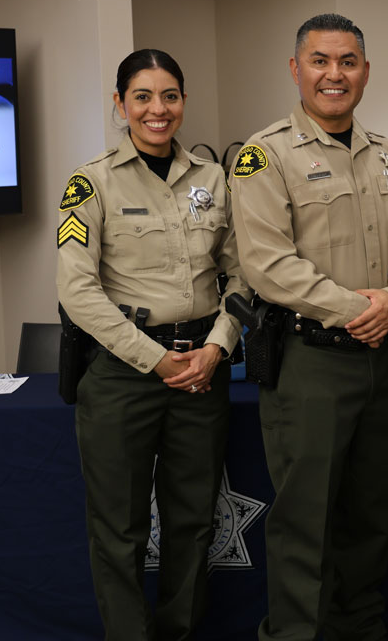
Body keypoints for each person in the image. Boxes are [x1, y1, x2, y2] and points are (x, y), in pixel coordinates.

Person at [229, 13, 388, 641]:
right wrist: (361, 310)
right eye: (320, 61)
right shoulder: (264, 156)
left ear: (365, 72)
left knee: (370, 523)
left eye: (347, 61)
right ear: (296, 70)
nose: (334, 74)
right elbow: (267, 267)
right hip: (307, 365)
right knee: (305, 528)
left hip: (378, 364)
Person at [56, 49, 247, 640]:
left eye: (169, 96)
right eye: (142, 97)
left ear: (183, 102)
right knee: (120, 528)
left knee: (193, 523)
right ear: (120, 105)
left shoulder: (214, 180)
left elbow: (243, 275)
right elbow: (77, 291)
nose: (157, 109)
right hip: (123, 374)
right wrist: (155, 358)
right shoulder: (91, 182)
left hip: (201, 370)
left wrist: (215, 348)